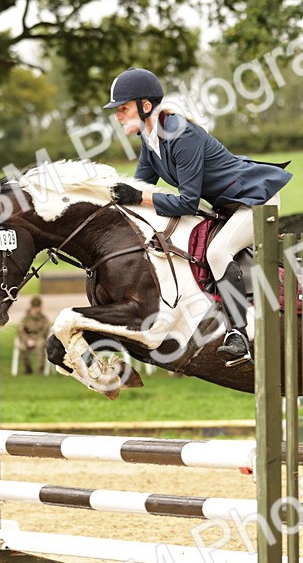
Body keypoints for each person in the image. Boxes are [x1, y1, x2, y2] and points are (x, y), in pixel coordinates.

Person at [103, 67, 292, 367]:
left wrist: (139, 197)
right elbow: (139, 189)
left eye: (123, 108)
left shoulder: (180, 133)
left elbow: (187, 201)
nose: (118, 116)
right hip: (230, 206)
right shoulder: (151, 140)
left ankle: (239, 337)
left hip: (257, 201)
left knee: (217, 252)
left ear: (145, 106)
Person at [17, 297, 51, 375]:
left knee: (40, 345)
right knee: (21, 347)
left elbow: (45, 330)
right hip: (27, 338)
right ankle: (28, 368)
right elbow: (21, 330)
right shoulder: (25, 318)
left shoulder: (43, 318)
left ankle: (40, 369)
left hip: (39, 338)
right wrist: (27, 340)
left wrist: (36, 339)